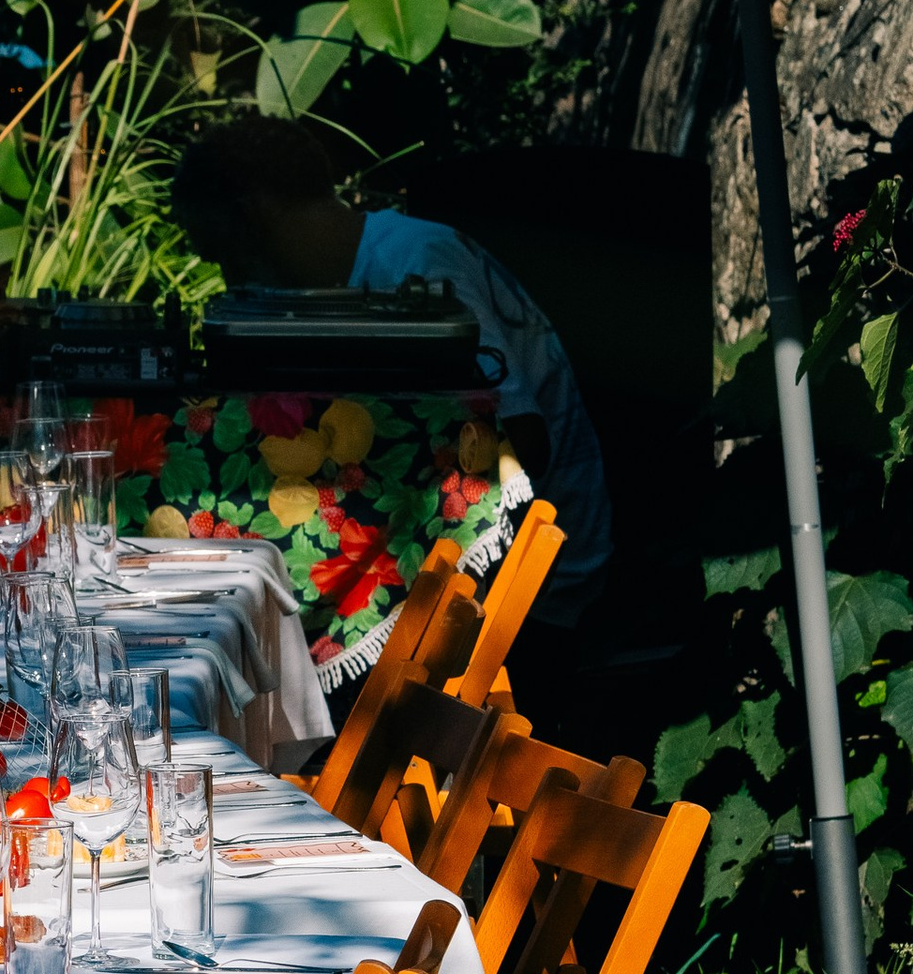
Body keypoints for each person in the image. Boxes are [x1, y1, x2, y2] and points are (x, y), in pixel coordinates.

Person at [171, 112, 611, 626]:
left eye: (223, 252)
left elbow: (523, 438)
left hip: (538, 583)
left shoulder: (418, 262)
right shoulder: (338, 287)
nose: (228, 280)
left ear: (254, 214)